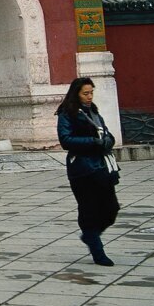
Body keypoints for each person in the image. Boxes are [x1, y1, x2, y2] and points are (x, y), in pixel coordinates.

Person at [57, 77, 120, 267]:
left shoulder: (93, 112)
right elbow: (65, 140)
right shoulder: (67, 114)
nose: (89, 96)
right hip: (81, 169)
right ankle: (98, 251)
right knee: (89, 210)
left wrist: (108, 141)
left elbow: (106, 133)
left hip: (101, 166)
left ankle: (90, 235)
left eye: (91, 92)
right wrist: (92, 143)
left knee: (112, 208)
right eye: (85, 93)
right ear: (76, 93)